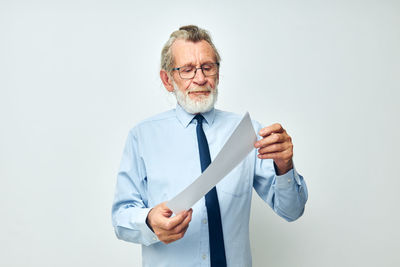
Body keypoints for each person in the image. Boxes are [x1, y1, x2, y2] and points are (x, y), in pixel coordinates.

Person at [112, 25, 308, 267]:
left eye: (208, 67)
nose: (201, 78)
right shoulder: (142, 137)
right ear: (167, 79)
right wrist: (149, 221)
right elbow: (120, 217)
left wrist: (284, 167)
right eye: (187, 70)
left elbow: (292, 211)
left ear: (217, 72)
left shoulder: (248, 132)